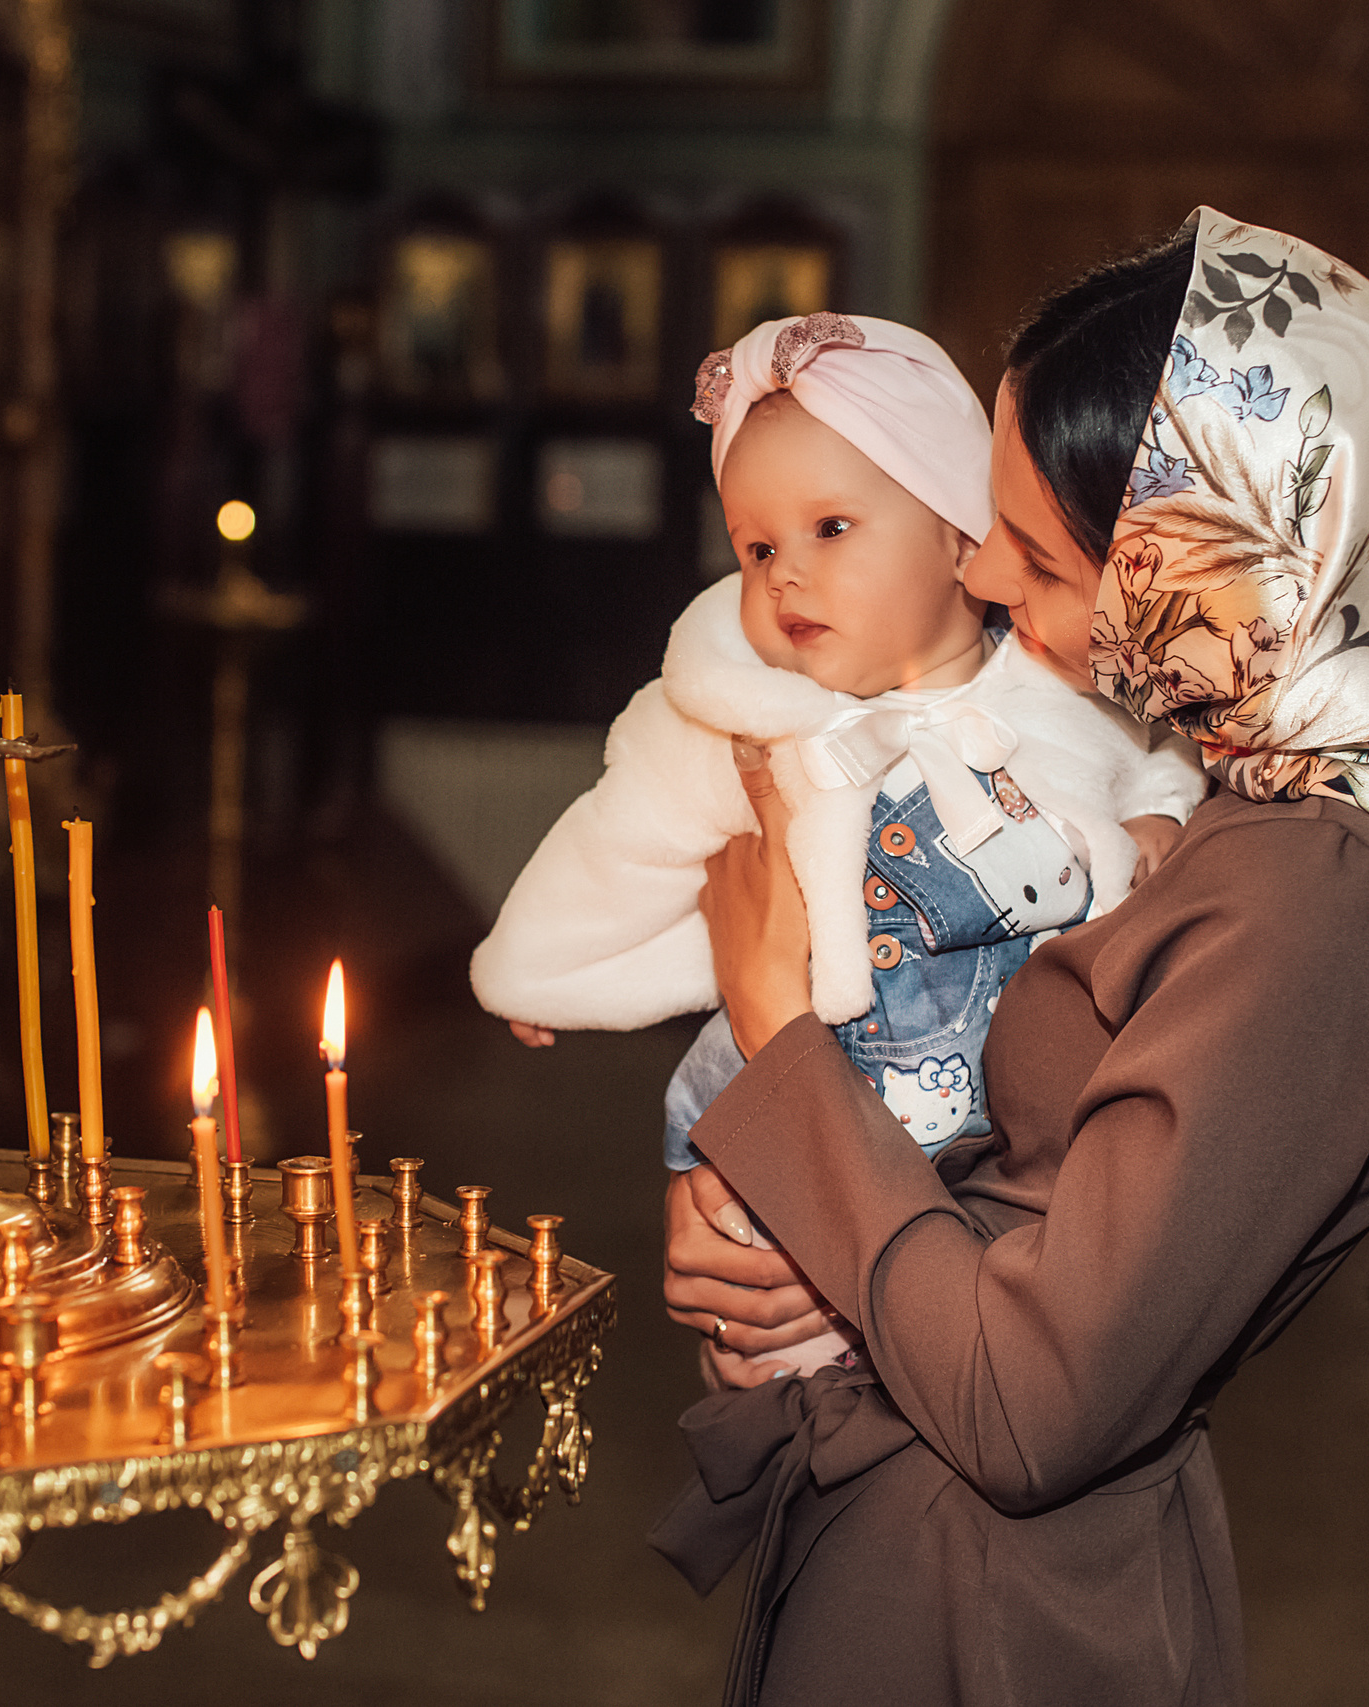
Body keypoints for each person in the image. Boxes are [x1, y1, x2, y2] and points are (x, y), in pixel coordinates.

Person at [650, 209, 1369, 1706]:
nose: (991, 585)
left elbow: (1033, 1401)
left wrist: (781, 1039)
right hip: (927, 1521)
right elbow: (1037, 1182)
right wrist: (774, 1233)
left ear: (1230, 553)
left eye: (1038, 552)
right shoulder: (1268, 797)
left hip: (990, 1601)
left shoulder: (1330, 895)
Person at [471, 312, 1201, 1371]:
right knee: (774, 1346)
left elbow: (1162, 752)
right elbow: (626, 841)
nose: (784, 576)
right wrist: (536, 966)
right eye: (756, 547)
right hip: (798, 1133)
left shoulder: (1054, 686)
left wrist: (1158, 824)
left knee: (966, 1365)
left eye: (830, 530)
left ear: (960, 530)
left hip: (1005, 1165)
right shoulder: (737, 722)